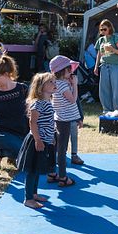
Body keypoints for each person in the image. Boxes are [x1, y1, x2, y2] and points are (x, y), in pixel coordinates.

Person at [16, 72, 57, 208]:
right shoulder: (37, 103)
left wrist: (51, 138)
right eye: (50, 82)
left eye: (54, 82)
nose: (54, 84)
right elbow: (33, 123)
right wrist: (37, 139)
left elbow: (49, 122)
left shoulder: (48, 101)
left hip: (46, 140)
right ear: (40, 87)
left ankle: (34, 193)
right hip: (37, 141)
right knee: (32, 170)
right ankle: (28, 199)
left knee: (38, 168)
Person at [47, 56, 81, 187]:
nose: (71, 72)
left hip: (60, 119)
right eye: (69, 70)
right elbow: (73, 99)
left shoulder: (58, 83)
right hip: (64, 120)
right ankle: (62, 176)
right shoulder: (61, 84)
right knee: (62, 149)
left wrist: (71, 83)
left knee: (56, 147)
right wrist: (75, 85)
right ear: (62, 71)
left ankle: (51, 173)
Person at [94, 19, 118, 112]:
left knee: (116, 90)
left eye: (104, 29)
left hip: (115, 66)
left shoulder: (116, 38)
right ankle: (107, 110)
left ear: (110, 28)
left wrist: (112, 49)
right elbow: (99, 54)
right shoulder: (101, 40)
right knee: (104, 90)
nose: (102, 31)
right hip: (104, 66)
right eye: (101, 29)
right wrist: (96, 66)